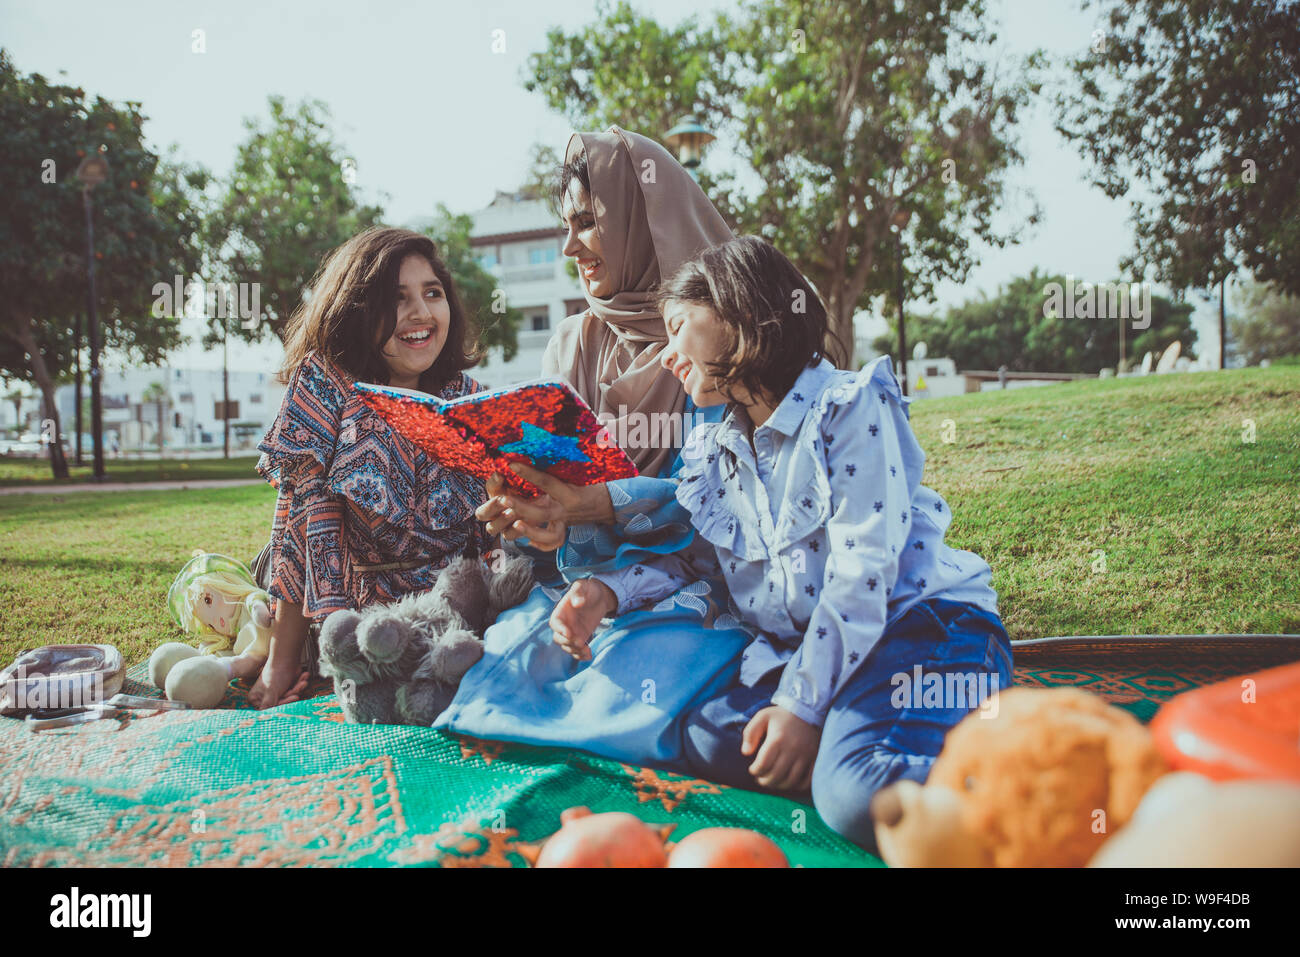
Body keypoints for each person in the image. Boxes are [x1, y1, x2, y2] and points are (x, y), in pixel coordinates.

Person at [549, 236, 1013, 850]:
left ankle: (1021, 785)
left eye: (678, 327)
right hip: (820, 656)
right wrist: (605, 592)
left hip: (918, 629)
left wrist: (799, 706)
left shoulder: (848, 407)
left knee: (853, 797)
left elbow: (863, 571)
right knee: (712, 736)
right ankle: (849, 734)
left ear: (739, 315)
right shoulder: (714, 450)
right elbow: (699, 563)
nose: (666, 357)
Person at [432, 128, 752, 768]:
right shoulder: (574, 339)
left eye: (588, 222)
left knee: (635, 690)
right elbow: (559, 485)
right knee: (507, 672)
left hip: (693, 575)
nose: (570, 245)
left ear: (642, 223)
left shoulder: (713, 333)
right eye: (565, 224)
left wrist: (588, 506)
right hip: (576, 582)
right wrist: (530, 513)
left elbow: (719, 497)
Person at [248, 227, 494, 708]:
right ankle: (260, 653)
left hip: (450, 602)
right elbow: (304, 523)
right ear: (358, 310)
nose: (422, 313)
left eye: (433, 293)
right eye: (396, 298)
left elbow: (486, 535)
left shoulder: (468, 397)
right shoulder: (326, 384)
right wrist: (284, 661)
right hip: (351, 605)